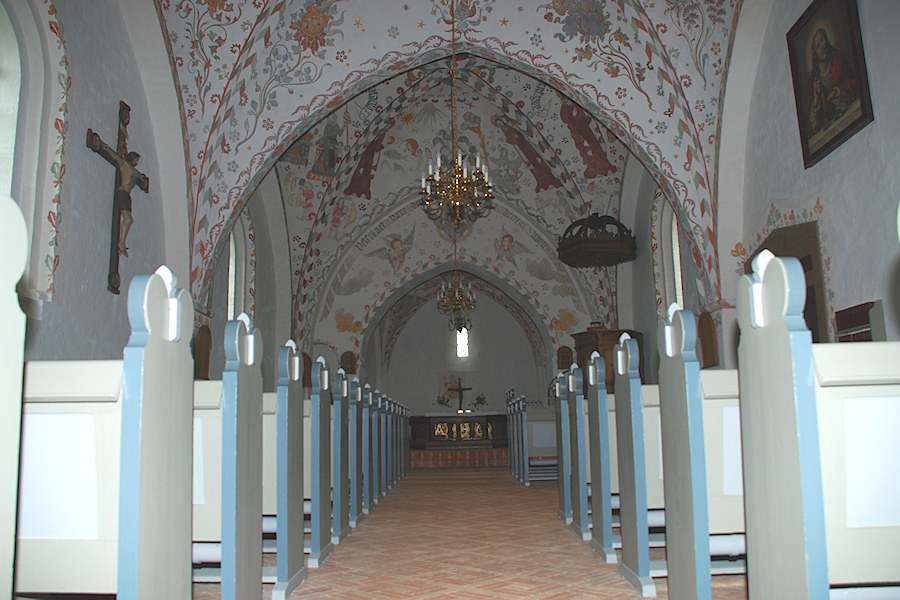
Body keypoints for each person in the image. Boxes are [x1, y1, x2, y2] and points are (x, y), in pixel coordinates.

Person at [807, 27, 859, 134]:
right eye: (818, 46)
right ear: (815, 52)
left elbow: (856, 83)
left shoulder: (838, 59)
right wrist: (816, 99)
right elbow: (813, 126)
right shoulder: (813, 80)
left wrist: (838, 91)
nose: (822, 46)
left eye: (822, 40)